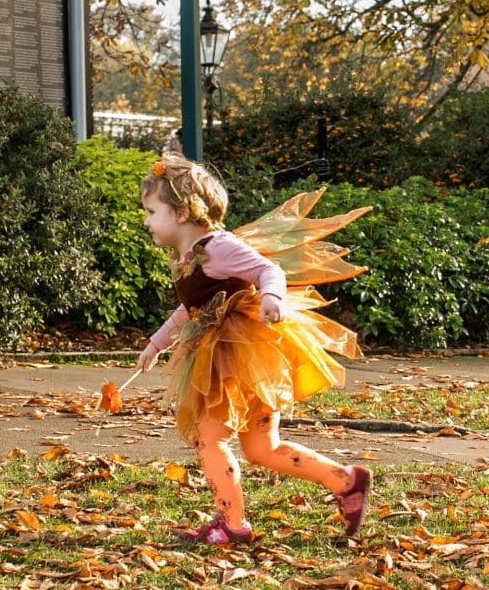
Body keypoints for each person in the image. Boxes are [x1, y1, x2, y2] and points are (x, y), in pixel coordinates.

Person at [137, 152, 372, 546]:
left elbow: (269, 270)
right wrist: (156, 343)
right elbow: (191, 306)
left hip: (243, 355)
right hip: (227, 355)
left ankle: (232, 525)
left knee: (209, 438)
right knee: (263, 448)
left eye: (151, 211)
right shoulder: (189, 256)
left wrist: (272, 298)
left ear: (180, 212)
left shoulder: (220, 247)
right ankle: (346, 481)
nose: (146, 221)